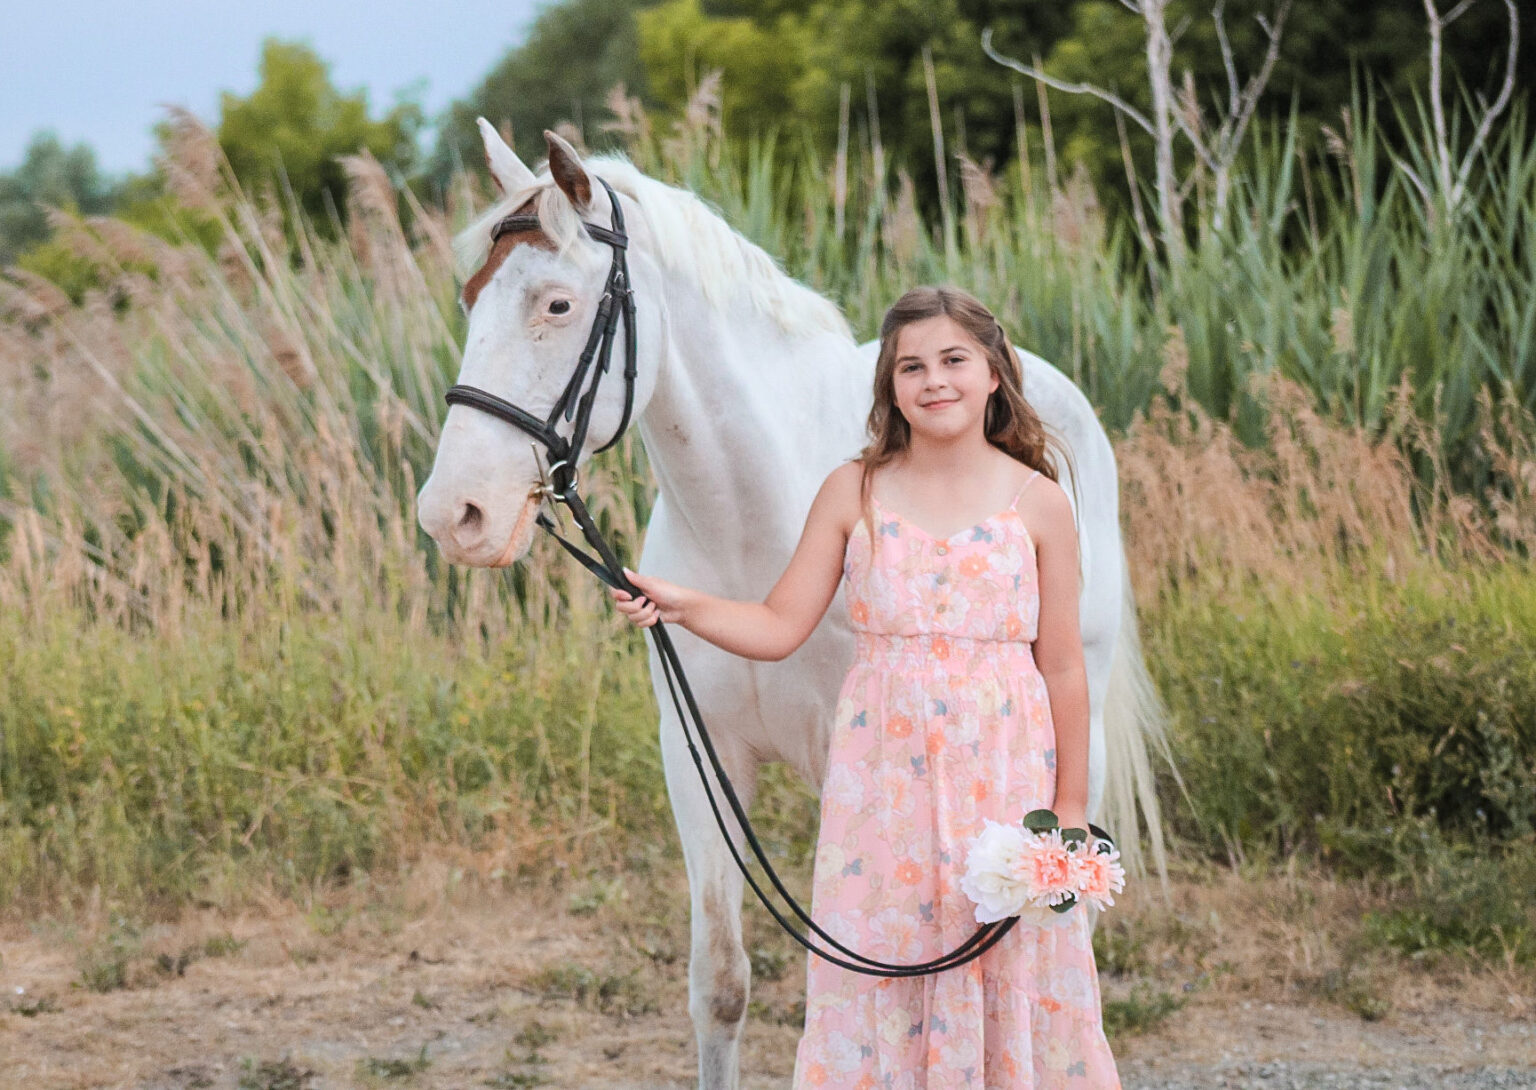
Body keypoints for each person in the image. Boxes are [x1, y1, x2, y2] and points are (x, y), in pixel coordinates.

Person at [611, 285, 1122, 1089]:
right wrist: (683, 606)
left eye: (953, 360)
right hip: (883, 790)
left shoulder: (1040, 503)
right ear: (889, 386)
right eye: (911, 367)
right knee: (888, 958)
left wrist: (1069, 809)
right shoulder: (852, 491)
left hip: (1002, 773)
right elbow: (779, 624)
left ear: (993, 373)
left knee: (1009, 964)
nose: (934, 380)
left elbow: (1062, 665)